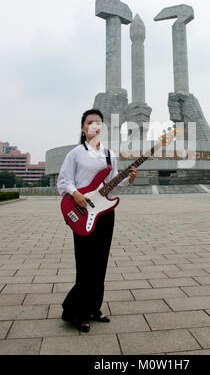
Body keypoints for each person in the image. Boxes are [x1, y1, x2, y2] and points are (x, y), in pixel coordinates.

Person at [57, 109, 137, 332]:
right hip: (82, 210)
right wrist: (76, 194)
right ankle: (76, 312)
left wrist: (129, 179)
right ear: (83, 128)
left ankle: (94, 308)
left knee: (100, 262)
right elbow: (64, 180)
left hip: (104, 214)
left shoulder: (110, 155)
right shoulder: (75, 153)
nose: (94, 126)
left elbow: (113, 186)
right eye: (90, 122)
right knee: (85, 263)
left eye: (98, 123)